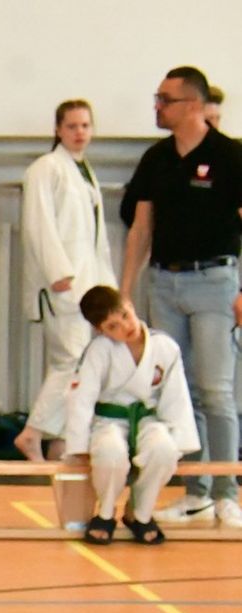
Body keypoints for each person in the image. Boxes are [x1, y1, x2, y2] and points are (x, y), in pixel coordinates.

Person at [120, 66, 242, 527]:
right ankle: (196, 492)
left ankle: (228, 490)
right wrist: (125, 291)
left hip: (214, 281)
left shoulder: (230, 155)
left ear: (193, 105)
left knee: (216, 390)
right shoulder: (156, 158)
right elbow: (140, 228)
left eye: (165, 100)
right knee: (178, 390)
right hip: (164, 282)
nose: (157, 107)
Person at [14, 100, 118, 462]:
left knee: (82, 364)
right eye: (72, 126)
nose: (79, 133)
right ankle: (33, 433)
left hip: (89, 282)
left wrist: (109, 287)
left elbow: (96, 239)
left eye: (85, 126)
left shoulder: (84, 171)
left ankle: (60, 440)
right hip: (63, 283)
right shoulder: (46, 168)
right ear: (58, 130)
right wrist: (57, 272)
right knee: (69, 361)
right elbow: (38, 224)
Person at [64, 286, 198, 545]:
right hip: (109, 421)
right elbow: (82, 399)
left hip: (149, 419)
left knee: (164, 451)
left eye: (125, 315)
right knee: (110, 453)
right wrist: (78, 445)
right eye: (113, 326)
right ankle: (105, 513)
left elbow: (176, 397)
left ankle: (140, 513)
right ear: (101, 330)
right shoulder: (99, 350)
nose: (125, 327)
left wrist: (181, 438)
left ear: (130, 305)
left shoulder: (165, 346)